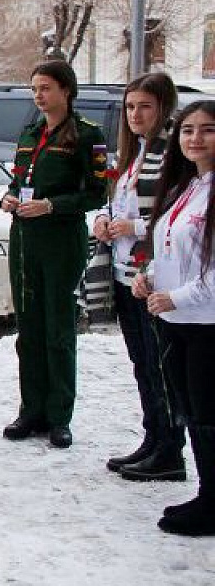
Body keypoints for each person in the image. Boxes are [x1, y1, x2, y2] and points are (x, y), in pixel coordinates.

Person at [0, 60, 109, 449]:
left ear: (66, 90)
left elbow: (97, 193)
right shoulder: (30, 133)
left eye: (46, 88)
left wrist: (52, 206)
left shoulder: (87, 135)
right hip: (26, 240)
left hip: (61, 241)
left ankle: (60, 414)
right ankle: (32, 410)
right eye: (35, 89)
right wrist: (9, 198)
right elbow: (18, 180)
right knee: (28, 329)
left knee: (58, 330)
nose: (39, 96)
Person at [93, 74, 186, 481]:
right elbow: (117, 203)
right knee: (142, 364)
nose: (135, 114)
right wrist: (103, 221)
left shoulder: (173, 154)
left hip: (153, 276)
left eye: (144, 106)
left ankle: (170, 450)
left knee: (160, 367)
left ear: (163, 107)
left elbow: (174, 213)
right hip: (123, 270)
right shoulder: (133, 154)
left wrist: (131, 227)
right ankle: (153, 439)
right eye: (130, 107)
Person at [134, 99, 215, 537]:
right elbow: (173, 249)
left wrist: (176, 297)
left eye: (207, 130)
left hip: (207, 322)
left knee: (208, 412)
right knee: (194, 410)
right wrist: (148, 277)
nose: (195, 139)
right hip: (180, 320)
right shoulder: (189, 185)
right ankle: (209, 493)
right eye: (187, 130)